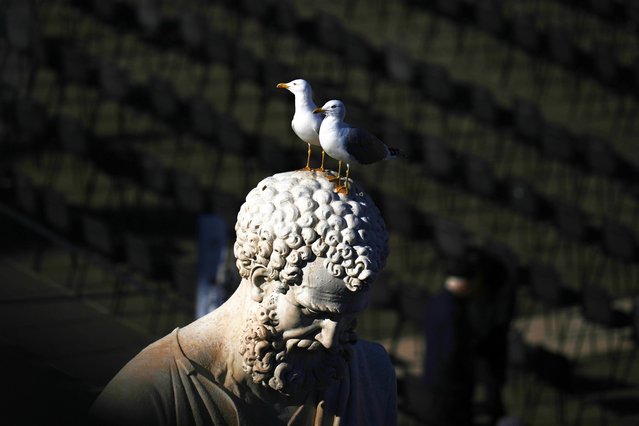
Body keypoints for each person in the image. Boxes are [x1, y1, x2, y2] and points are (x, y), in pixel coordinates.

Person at [90, 171, 397, 426]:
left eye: (347, 318)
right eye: (311, 312)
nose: (331, 339)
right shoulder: (145, 398)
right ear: (262, 281)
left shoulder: (372, 374)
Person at [422, 257, 476, 426]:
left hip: (433, 379)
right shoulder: (455, 311)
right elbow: (451, 351)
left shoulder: (436, 301)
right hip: (450, 387)